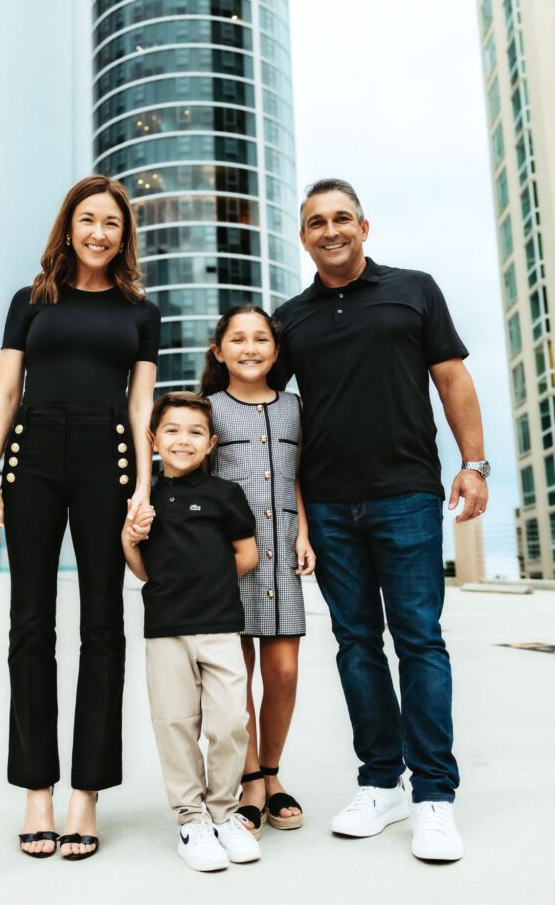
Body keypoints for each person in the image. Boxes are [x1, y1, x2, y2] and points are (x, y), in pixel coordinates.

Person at [273, 178, 489, 862]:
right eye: (316, 222)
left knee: (420, 640)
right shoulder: (291, 321)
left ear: (365, 228)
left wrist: (474, 464)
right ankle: (380, 783)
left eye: (342, 219)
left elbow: (452, 379)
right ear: (302, 236)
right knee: (357, 643)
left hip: (407, 494)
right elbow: (260, 402)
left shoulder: (414, 290)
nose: (330, 230)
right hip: (330, 503)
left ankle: (433, 796)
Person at [0, 175, 160, 859]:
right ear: (69, 225)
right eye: (88, 220)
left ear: (124, 234)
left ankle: (86, 795)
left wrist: (145, 483)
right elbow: (6, 390)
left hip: (106, 457)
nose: (99, 233)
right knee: (30, 622)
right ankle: (36, 791)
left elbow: (141, 407)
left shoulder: (141, 310)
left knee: (104, 623)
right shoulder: (30, 301)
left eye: (112, 223)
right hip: (34, 454)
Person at [122, 391, 262, 872]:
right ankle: (191, 820)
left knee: (229, 723)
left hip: (221, 626)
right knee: (176, 725)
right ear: (153, 440)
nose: (184, 440)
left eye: (195, 432)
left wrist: (210, 584)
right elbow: (142, 570)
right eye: (173, 430)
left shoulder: (226, 495)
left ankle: (223, 813)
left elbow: (247, 556)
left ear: (211, 442)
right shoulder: (144, 500)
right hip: (165, 630)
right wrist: (129, 537)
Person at [199, 305, 316, 838]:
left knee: (284, 672)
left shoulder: (295, 407)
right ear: (219, 351)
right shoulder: (210, 409)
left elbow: (297, 477)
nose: (250, 348)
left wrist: (305, 533)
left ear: (275, 350)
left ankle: (273, 770)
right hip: (230, 556)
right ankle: (251, 781)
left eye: (261, 339)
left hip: (284, 554)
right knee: (236, 676)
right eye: (238, 339)